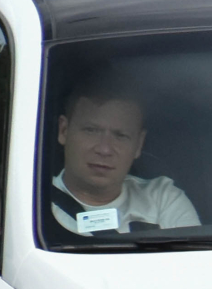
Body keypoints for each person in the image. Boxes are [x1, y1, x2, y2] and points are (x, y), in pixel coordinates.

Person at [48, 76, 199, 236]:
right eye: (91, 130)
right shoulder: (32, 202)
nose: (104, 149)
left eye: (120, 136)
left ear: (139, 144)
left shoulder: (163, 200)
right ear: (64, 131)